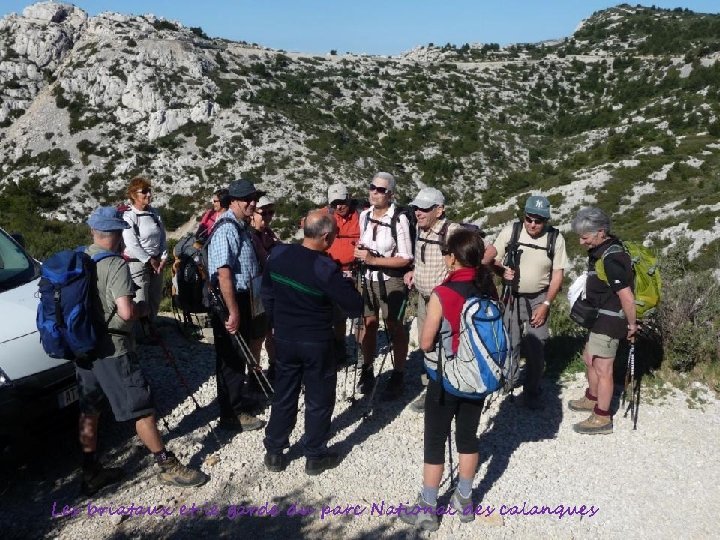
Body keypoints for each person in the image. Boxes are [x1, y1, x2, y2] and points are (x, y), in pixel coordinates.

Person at [77, 207, 207, 496]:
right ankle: (167, 465)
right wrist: (145, 308)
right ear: (117, 234)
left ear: (94, 233)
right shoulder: (114, 265)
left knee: (90, 408)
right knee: (142, 408)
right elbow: (126, 311)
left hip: (84, 347)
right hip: (114, 349)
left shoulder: (80, 257)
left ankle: (90, 471)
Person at [400, 228, 490, 532]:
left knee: (435, 441)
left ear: (452, 258)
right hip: (476, 377)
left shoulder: (443, 293)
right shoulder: (487, 288)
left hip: (446, 377)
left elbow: (426, 343)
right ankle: (464, 500)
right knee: (468, 437)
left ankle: (427, 508)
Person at [261, 211, 363, 475]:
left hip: (284, 336)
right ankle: (314, 455)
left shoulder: (279, 254)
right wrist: (348, 285)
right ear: (326, 236)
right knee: (318, 397)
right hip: (316, 340)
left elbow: (268, 293)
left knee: (284, 392)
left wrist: (275, 323)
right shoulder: (325, 267)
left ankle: (274, 450)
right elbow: (353, 306)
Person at [403, 187, 497, 412]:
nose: (418, 212)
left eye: (425, 208)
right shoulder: (420, 229)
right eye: (416, 207)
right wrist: (414, 271)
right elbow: (424, 257)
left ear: (440, 209)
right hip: (426, 298)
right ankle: (432, 388)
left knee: (448, 344)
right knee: (430, 345)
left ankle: (453, 387)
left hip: (447, 300)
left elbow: (489, 250)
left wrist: (467, 274)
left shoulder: (453, 230)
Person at [492, 195, 569, 410]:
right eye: (529, 219)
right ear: (524, 216)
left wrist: (546, 305)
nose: (533, 224)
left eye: (539, 221)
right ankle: (509, 379)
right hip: (512, 296)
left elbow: (557, 275)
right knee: (511, 341)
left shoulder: (555, 239)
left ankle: (532, 389)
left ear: (546, 220)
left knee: (537, 343)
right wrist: (498, 269)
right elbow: (493, 256)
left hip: (539, 297)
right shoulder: (512, 232)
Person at [569, 207, 636, 435]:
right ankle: (592, 397)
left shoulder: (611, 258)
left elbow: (626, 296)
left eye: (585, 237)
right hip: (599, 319)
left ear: (600, 232)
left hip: (609, 322)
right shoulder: (602, 251)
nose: (581, 241)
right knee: (590, 359)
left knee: (603, 368)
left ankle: (602, 417)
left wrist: (632, 325)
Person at [207, 178, 265, 432]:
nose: (253, 202)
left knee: (238, 353)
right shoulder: (227, 229)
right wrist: (233, 311)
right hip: (231, 299)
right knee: (231, 356)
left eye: (254, 198)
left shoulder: (239, 226)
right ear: (234, 202)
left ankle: (236, 403)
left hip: (244, 296)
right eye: (247, 199)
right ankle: (231, 414)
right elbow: (224, 274)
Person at [354, 172, 413, 401]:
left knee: (394, 325)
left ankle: (398, 374)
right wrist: (361, 254)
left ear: (391, 194)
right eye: (372, 187)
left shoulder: (399, 219)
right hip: (367, 278)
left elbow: (405, 257)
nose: (375, 193)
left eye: (381, 190)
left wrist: (373, 260)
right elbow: (364, 244)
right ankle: (367, 369)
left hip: (391, 279)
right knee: (368, 323)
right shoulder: (365, 216)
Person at [121, 176, 168, 322]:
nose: (148, 194)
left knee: (154, 298)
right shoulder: (129, 215)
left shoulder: (154, 213)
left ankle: (151, 329)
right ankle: (141, 335)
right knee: (141, 300)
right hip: (137, 264)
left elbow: (162, 236)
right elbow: (131, 242)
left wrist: (163, 258)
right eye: (144, 191)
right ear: (134, 195)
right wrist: (148, 260)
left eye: (149, 191)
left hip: (156, 263)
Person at [249, 195, 281, 383]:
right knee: (259, 335)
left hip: (268, 286)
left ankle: (273, 365)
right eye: (264, 212)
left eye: (271, 212)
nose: (268, 216)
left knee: (271, 331)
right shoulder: (251, 234)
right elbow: (265, 259)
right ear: (253, 213)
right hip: (258, 288)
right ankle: (255, 374)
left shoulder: (267, 232)